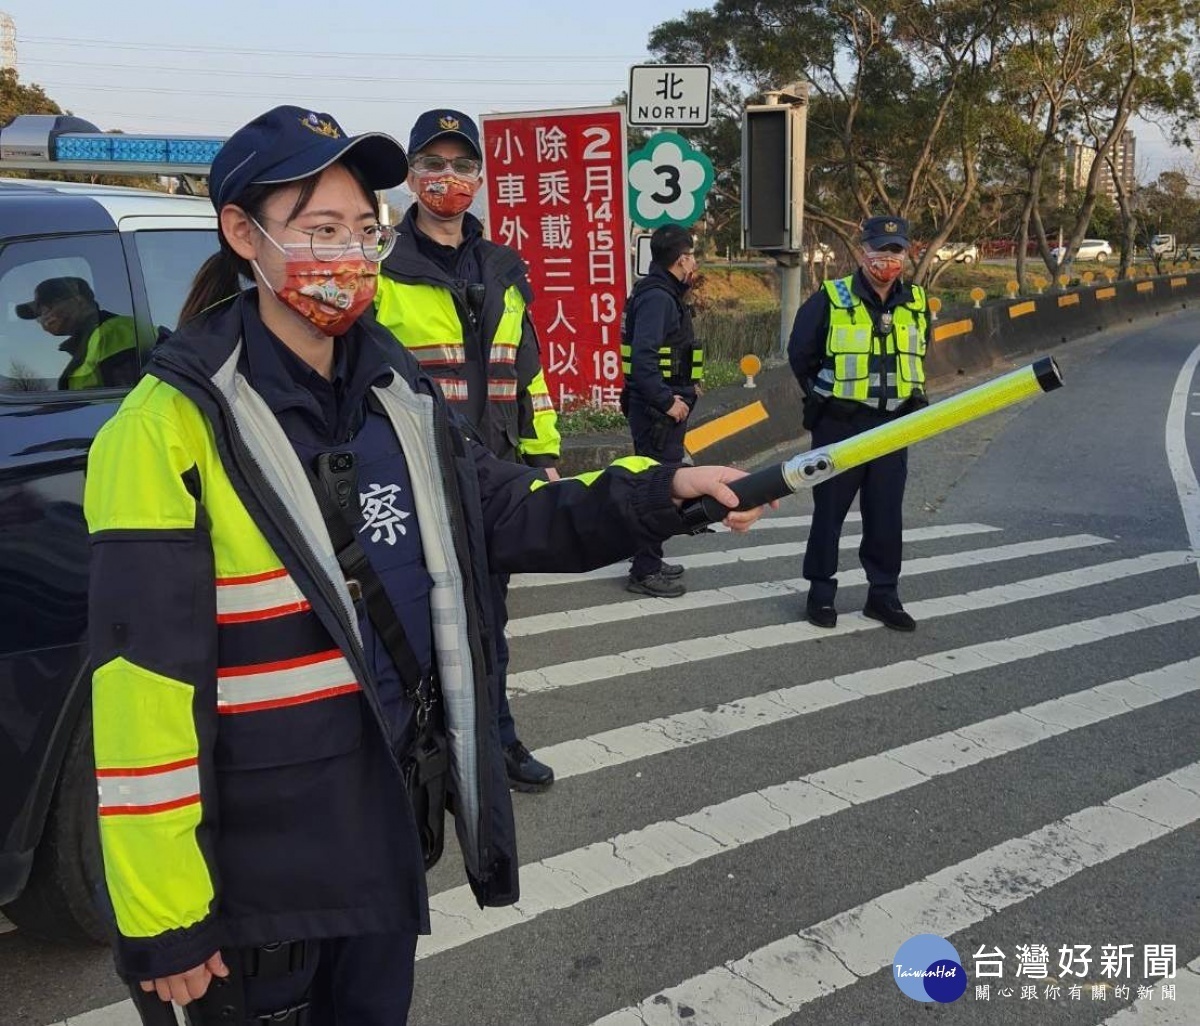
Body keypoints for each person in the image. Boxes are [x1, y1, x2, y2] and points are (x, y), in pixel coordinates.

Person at [84, 105, 766, 1026]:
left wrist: (663, 492)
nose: (351, 255)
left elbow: (509, 510)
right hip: (255, 884)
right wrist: (166, 919)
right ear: (244, 236)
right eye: (320, 231)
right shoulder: (166, 428)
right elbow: (142, 693)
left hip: (381, 839)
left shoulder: (394, 392)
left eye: (365, 231)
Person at [373, 108, 560, 793]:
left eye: (460, 165)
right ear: (413, 178)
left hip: (497, 480)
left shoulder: (505, 269)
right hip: (415, 480)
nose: (447, 178)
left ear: (480, 178)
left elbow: (527, 377)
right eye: (433, 165)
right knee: (416, 625)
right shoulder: (384, 270)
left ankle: (497, 741)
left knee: (489, 624)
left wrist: (543, 459)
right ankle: (421, 755)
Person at [787, 215, 930, 632]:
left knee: (885, 514)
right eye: (879, 249)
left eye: (895, 250)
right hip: (841, 424)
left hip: (894, 424)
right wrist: (824, 393)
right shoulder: (830, 298)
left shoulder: (916, 302)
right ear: (862, 250)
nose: (886, 259)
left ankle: (883, 596)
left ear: (906, 254)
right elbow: (801, 353)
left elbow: (919, 354)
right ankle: (821, 594)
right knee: (829, 512)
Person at [620, 224, 703, 598]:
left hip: (663, 405)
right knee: (656, 489)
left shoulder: (664, 292)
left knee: (657, 483)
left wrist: (688, 384)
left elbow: (673, 351)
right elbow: (645, 358)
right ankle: (644, 570)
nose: (695, 264)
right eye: (693, 257)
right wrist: (668, 401)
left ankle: (650, 558)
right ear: (682, 259)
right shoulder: (657, 297)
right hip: (657, 411)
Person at [16, 276, 137, 390]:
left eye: (49, 305)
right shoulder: (88, 340)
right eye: (40, 312)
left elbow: (126, 399)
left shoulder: (115, 332)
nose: (44, 317)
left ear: (79, 300)